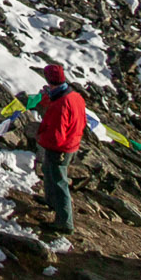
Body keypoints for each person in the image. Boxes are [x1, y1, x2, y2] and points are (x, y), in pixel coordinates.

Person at [34, 63, 86, 233]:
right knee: (48, 172)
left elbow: (57, 135)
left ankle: (65, 222)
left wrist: (41, 138)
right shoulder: (74, 96)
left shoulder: (61, 105)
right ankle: (50, 201)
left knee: (58, 181)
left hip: (61, 148)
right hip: (72, 143)